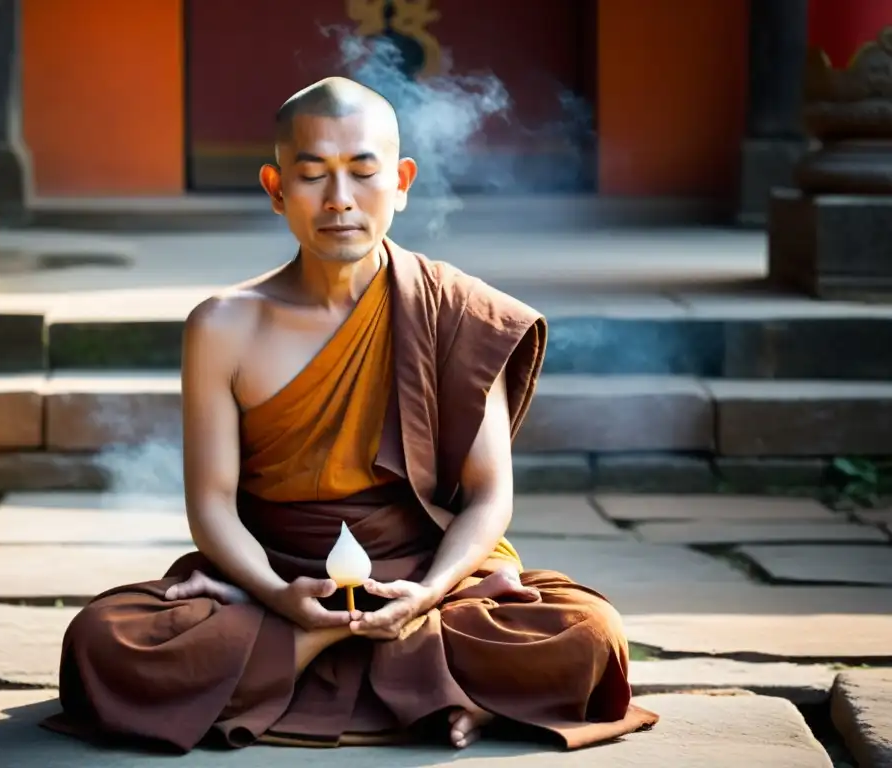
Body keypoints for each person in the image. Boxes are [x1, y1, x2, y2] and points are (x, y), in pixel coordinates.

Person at [42, 76, 659, 753]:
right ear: (277, 188)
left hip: (419, 574)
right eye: (313, 176)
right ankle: (409, 673)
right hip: (272, 574)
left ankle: (314, 655)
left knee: (591, 632)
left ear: (400, 182)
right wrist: (279, 597)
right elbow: (213, 507)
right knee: (103, 640)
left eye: (363, 173)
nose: (339, 201)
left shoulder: (454, 310)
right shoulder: (223, 326)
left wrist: (425, 594)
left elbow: (489, 498)